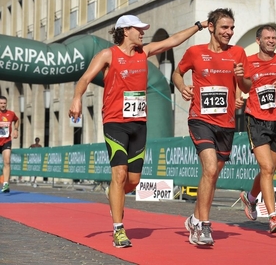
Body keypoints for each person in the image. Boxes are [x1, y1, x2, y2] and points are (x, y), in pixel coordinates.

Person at [68, 14, 208, 248]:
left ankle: (114, 194)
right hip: (114, 122)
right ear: (125, 31)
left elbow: (172, 41)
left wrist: (198, 26)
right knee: (119, 174)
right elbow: (84, 79)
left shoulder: (145, 52)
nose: (143, 33)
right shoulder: (108, 55)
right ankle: (118, 229)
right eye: (139, 29)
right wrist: (76, 99)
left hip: (139, 124)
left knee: (132, 181)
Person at [172, 8, 251, 246]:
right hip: (200, 119)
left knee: (212, 175)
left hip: (226, 123)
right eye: (225, 28)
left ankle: (194, 218)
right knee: (208, 168)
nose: (229, 32)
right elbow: (177, 73)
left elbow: (246, 86)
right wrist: (182, 86)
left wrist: (241, 78)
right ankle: (204, 226)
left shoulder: (238, 53)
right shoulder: (195, 52)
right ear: (212, 28)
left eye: (232, 28)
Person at [239, 24, 276, 233]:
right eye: (267, 38)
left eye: (274, 37)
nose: (272, 40)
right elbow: (243, 86)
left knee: (270, 170)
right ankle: (273, 217)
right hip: (255, 118)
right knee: (266, 168)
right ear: (258, 40)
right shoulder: (249, 62)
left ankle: (250, 198)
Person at [0, 96, 19, 193]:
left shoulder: (11, 114)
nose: (3, 105)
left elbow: (17, 120)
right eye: (1, 103)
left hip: (6, 140)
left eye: (4, 103)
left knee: (7, 161)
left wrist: (16, 130)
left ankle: (6, 184)